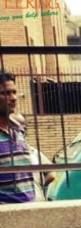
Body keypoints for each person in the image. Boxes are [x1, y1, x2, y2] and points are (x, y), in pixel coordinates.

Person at [0, 72, 36, 204]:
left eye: (14, 92)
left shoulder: (19, 131)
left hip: (29, 209)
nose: (14, 98)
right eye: (6, 93)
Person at [10, 112, 55, 201]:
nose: (20, 131)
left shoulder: (33, 152)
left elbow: (51, 173)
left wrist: (35, 185)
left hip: (35, 203)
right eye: (14, 127)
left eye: (23, 129)